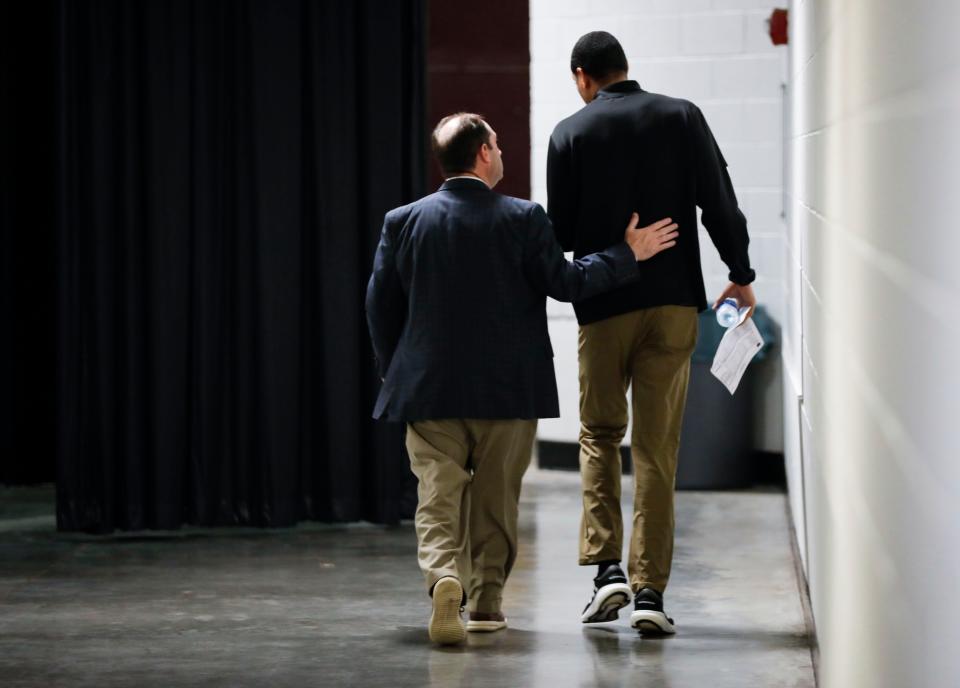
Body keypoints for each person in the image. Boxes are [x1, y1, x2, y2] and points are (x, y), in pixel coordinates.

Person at [366, 112, 680, 645]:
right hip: (507, 393)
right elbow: (567, 283)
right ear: (484, 154)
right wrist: (629, 254)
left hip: (428, 390)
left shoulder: (404, 221)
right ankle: (486, 605)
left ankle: (445, 576)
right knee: (494, 502)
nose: (502, 150)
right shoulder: (523, 217)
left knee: (437, 499)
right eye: (498, 142)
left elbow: (379, 306)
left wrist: (396, 370)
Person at [546, 31, 757, 635]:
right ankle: (649, 593)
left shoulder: (569, 132)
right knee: (657, 450)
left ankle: (606, 570)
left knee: (598, 436)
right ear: (626, 69)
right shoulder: (682, 115)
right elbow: (719, 201)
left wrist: (610, 239)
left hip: (604, 303)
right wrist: (739, 274)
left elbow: (560, 234)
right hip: (671, 307)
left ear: (582, 75)